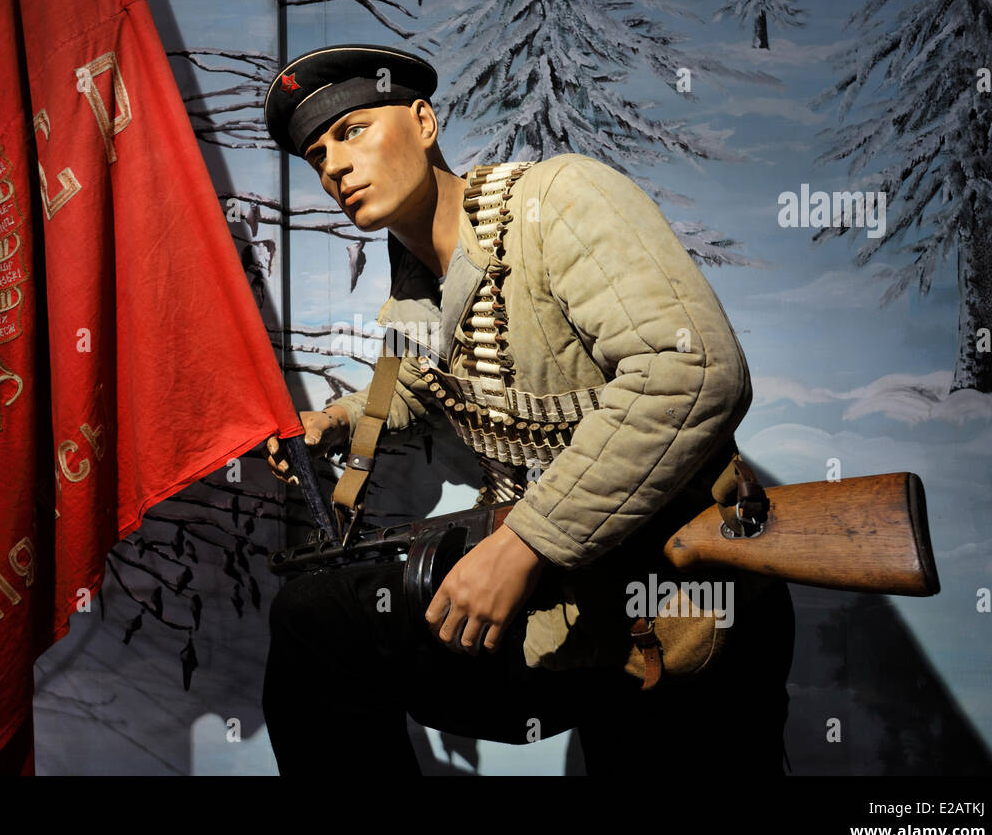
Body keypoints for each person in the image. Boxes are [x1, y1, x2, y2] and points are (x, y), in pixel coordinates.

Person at [260, 43, 794, 775]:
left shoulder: (558, 201)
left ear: (422, 120)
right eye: (318, 154)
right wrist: (345, 419)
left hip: (676, 594)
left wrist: (525, 543)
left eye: (352, 130)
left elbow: (694, 371)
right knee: (317, 621)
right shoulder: (417, 275)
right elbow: (429, 381)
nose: (334, 166)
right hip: (562, 599)